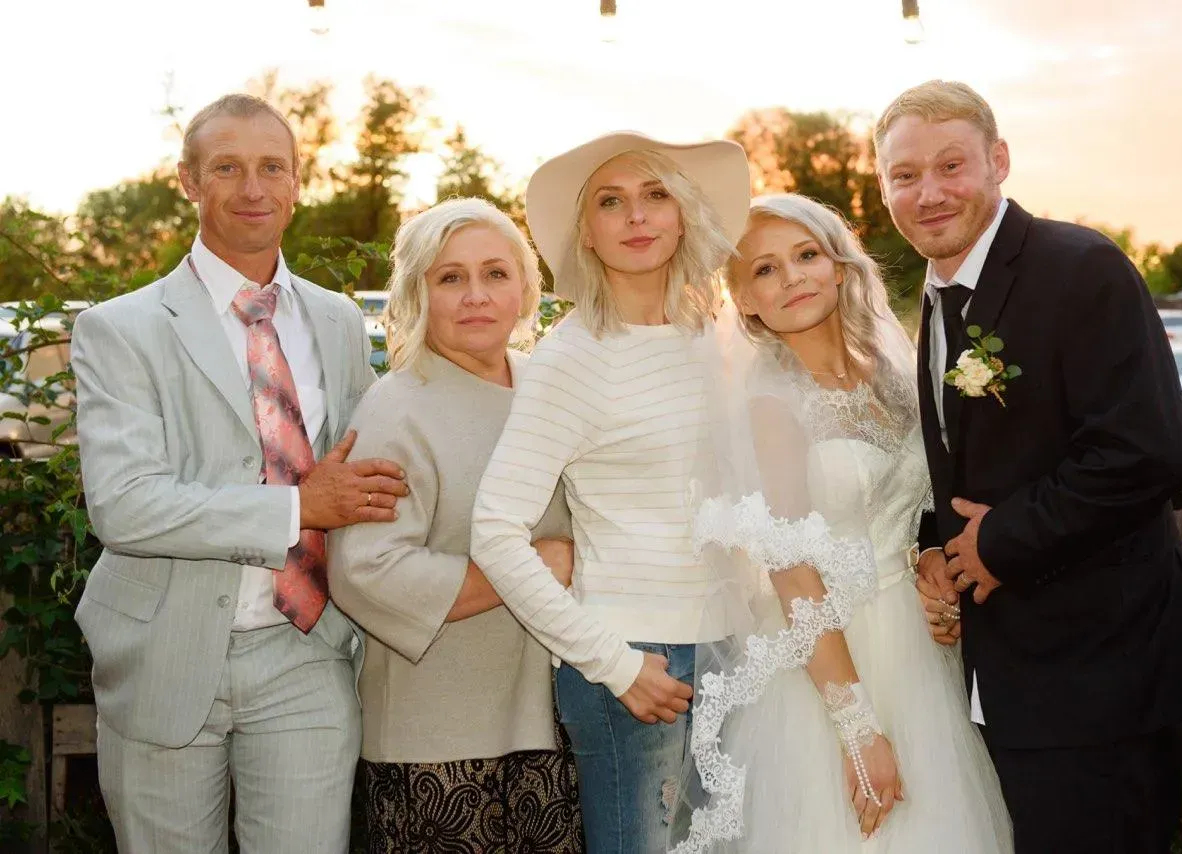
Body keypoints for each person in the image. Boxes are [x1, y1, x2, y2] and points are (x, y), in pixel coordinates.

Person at [876, 79, 1182, 853]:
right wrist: (940, 546)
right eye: (905, 175)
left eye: (951, 166)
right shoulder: (940, 298)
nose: (929, 193)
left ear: (998, 161)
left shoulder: (1079, 267)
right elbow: (986, 457)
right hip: (1017, 678)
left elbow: (1146, 451)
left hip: (1103, 675)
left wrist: (998, 544)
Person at [70, 93, 408, 852]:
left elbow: (363, 476)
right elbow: (123, 506)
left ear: (296, 183)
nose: (252, 189)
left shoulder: (338, 321)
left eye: (270, 168)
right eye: (227, 167)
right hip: (165, 653)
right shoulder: (118, 329)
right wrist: (297, 508)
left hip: (307, 653)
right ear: (189, 180)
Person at [668, 193, 1013, 853]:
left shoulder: (894, 374)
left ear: (838, 265)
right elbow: (791, 571)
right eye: (765, 270)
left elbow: (918, 511)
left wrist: (930, 563)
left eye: (804, 255)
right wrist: (856, 729)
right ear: (742, 300)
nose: (792, 277)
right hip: (825, 660)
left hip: (916, 647)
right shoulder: (771, 403)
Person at [469, 131, 750, 851]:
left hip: (732, 648)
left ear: (684, 214)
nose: (637, 217)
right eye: (611, 202)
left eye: (656, 195)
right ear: (585, 235)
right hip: (633, 661)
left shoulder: (717, 335)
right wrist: (612, 663)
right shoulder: (571, 358)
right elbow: (495, 531)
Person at [327, 197, 584, 852]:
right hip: (438, 746)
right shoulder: (396, 409)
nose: (477, 295)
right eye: (451, 277)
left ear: (526, 288)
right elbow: (366, 570)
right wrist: (525, 569)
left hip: (556, 729)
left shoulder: (549, 391)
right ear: (418, 293)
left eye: (496, 273)